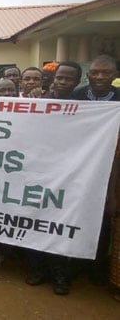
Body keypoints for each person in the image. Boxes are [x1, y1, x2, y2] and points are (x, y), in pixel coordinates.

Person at [24, 61, 82, 295]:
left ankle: (60, 275)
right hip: (36, 172)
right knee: (34, 223)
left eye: (69, 78)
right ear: (53, 78)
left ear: (78, 82)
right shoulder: (40, 101)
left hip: (68, 175)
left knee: (58, 226)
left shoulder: (86, 107)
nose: (63, 81)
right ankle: (37, 270)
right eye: (59, 77)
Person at [71, 55, 120, 289]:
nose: (100, 77)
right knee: (76, 214)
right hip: (77, 168)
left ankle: (97, 266)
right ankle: (74, 264)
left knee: (103, 221)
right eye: (96, 72)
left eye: (106, 73)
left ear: (114, 76)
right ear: (88, 74)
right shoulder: (75, 97)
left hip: (110, 168)